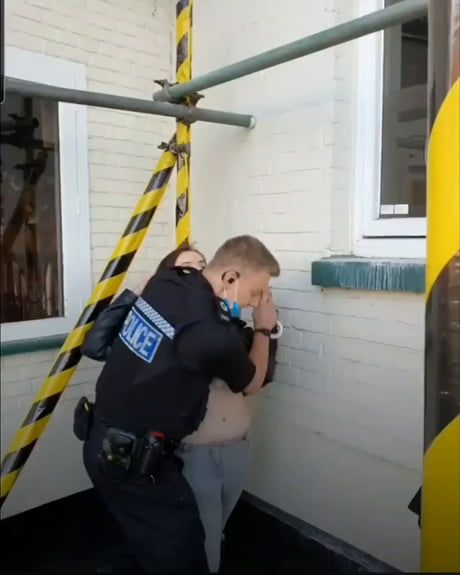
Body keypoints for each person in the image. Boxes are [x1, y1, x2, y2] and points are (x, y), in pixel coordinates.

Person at [75, 235, 280, 575]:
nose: (254, 302)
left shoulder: (167, 282)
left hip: (104, 442)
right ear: (230, 279)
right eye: (255, 292)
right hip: (133, 462)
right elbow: (253, 381)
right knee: (184, 557)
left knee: (153, 546)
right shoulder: (213, 335)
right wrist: (264, 328)